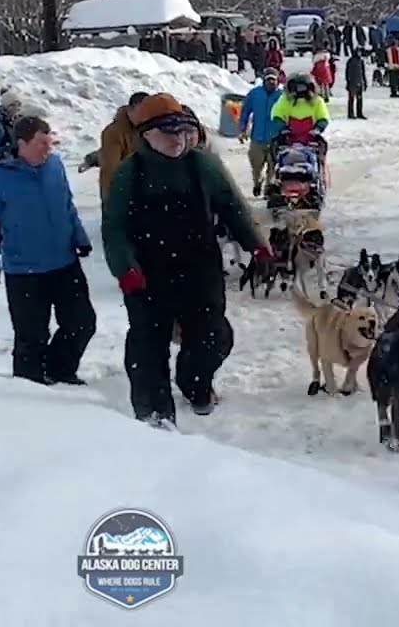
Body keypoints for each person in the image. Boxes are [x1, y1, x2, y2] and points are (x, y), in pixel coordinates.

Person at [101, 94, 269, 428]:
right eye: (168, 132)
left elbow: (233, 207)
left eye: (182, 131)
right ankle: (155, 419)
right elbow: (114, 229)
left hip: (200, 268)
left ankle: (194, 382)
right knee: (148, 350)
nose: (178, 138)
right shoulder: (128, 175)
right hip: (148, 275)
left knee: (214, 338)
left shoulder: (203, 166)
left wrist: (256, 245)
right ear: (146, 134)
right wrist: (125, 268)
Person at [0, 115, 96, 385]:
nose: (48, 148)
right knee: (31, 338)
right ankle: (29, 394)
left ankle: (59, 370)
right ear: (22, 143)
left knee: (82, 323)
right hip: (24, 271)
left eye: (50, 142)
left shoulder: (54, 166)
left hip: (64, 263)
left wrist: (79, 236)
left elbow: (67, 204)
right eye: (42, 143)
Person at [238, 69, 284, 197]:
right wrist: (242, 128)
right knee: (256, 165)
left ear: (277, 81)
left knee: (273, 166)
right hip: (257, 137)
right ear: (264, 80)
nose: (271, 82)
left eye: (273, 79)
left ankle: (268, 189)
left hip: (275, 138)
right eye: (268, 79)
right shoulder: (255, 94)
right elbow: (245, 111)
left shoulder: (282, 96)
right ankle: (258, 182)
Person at [98, 91, 148, 199]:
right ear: (130, 110)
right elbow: (110, 170)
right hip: (124, 193)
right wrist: (111, 201)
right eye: (140, 113)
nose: (144, 118)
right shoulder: (114, 132)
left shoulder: (150, 128)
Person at [271, 74, 330, 144]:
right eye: (298, 88)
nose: (301, 91)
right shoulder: (285, 100)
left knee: (322, 145)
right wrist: (282, 128)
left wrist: (318, 128)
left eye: (303, 87)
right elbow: (277, 115)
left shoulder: (317, 101)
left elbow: (323, 117)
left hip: (311, 140)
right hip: (288, 140)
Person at [345, 50, 367, 119]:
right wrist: (348, 82)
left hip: (360, 82)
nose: (359, 53)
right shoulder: (350, 61)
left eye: (360, 52)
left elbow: (363, 73)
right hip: (352, 82)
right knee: (351, 99)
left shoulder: (361, 61)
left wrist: (365, 82)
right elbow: (347, 72)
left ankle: (359, 113)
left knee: (360, 99)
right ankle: (350, 113)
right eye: (358, 52)